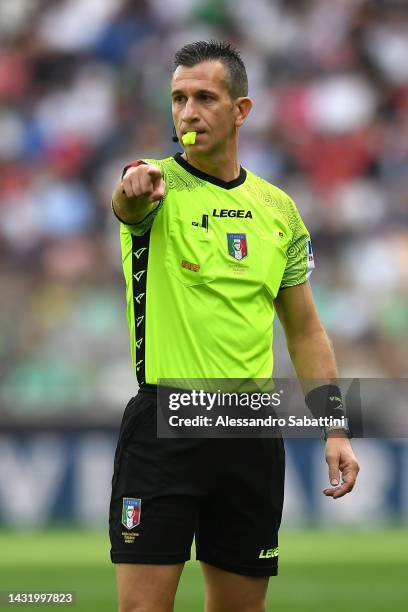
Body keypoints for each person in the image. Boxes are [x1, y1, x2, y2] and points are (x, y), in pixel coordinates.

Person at [109, 40, 360, 612]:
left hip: (249, 431)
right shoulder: (155, 186)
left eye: (203, 97)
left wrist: (336, 428)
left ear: (240, 110)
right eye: (177, 99)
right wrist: (131, 186)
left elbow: (305, 331)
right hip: (165, 425)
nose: (188, 112)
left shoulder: (279, 210)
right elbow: (127, 202)